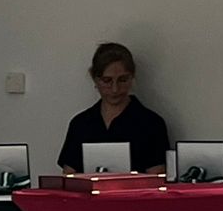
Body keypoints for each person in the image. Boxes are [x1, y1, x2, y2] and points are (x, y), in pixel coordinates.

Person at [57, 42, 171, 174]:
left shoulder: (151, 124)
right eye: (107, 81)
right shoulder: (81, 124)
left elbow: (157, 178)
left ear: (132, 77)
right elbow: (69, 176)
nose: (115, 89)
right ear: (95, 79)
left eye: (122, 80)